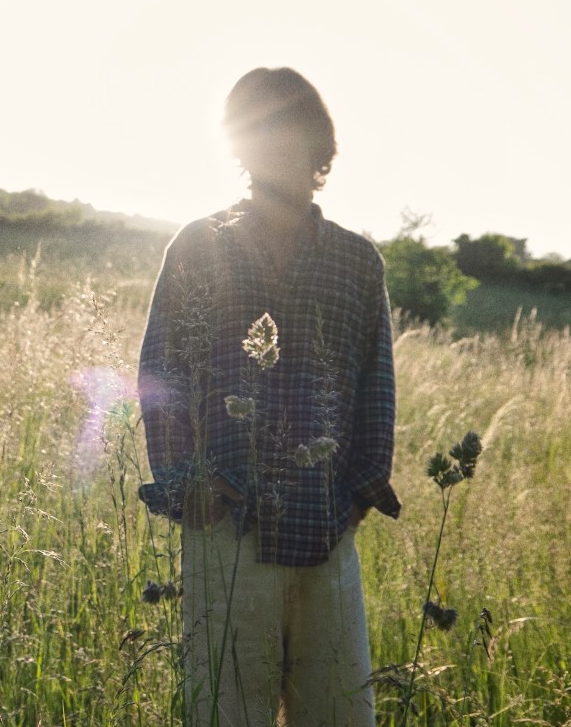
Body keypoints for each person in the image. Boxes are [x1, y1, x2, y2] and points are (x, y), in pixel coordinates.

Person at [137, 67, 400, 726]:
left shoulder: (356, 262)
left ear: (320, 147)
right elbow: (161, 373)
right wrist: (187, 483)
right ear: (240, 145)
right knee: (225, 718)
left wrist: (357, 497)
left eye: (292, 128)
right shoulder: (199, 246)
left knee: (340, 718)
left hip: (327, 529)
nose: (277, 144)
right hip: (226, 530)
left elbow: (376, 390)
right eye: (261, 128)